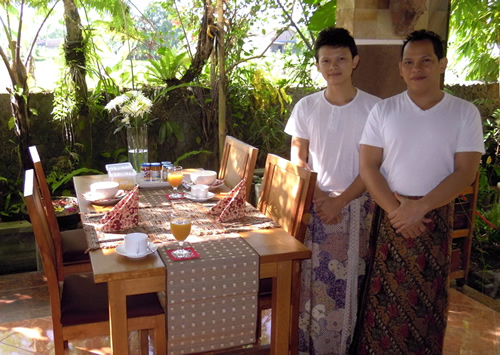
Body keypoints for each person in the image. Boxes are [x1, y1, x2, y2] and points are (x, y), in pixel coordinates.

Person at [352, 30, 485, 354]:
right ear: (400, 69)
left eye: (426, 60)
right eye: (409, 62)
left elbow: (465, 171)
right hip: (390, 215)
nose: (417, 68)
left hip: (434, 217)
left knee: (427, 303)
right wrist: (399, 211)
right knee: (382, 302)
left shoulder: (464, 113)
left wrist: (420, 208)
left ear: (442, 64)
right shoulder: (383, 111)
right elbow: (369, 166)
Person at [284, 27, 381, 354]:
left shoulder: (375, 109)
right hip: (314, 203)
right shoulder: (306, 106)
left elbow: (375, 166)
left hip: (357, 208)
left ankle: (344, 348)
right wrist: (316, 195)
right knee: (311, 278)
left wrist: (340, 200)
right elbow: (298, 155)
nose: (333, 65)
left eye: (341, 58)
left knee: (349, 282)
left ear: (355, 61)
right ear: (318, 65)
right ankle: (307, 346)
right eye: (326, 60)